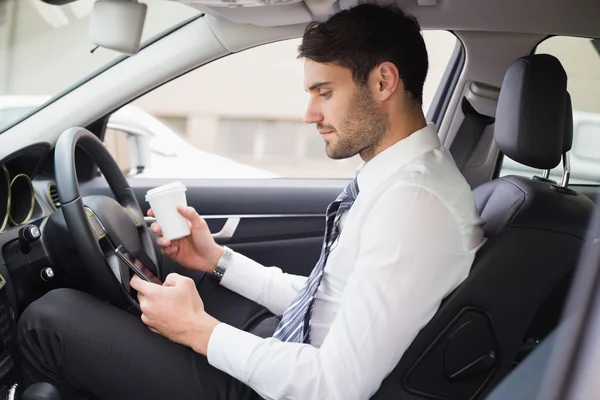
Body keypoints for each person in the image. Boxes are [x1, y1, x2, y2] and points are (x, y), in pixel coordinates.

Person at [17, 4, 485, 400]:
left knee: (48, 320)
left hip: (288, 384)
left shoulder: (413, 204)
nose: (310, 114)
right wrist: (217, 260)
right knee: (177, 275)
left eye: (325, 92)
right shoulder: (399, 179)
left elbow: (335, 386)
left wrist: (197, 331)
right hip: (290, 347)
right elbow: (327, 301)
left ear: (384, 82)